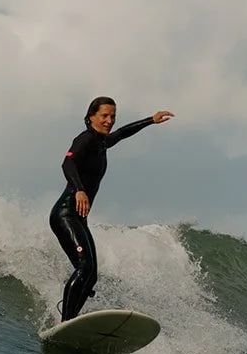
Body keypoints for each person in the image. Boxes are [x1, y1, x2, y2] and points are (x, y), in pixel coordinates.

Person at [50, 96, 174, 321]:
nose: (109, 121)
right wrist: (79, 189)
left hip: (79, 217)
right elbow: (67, 162)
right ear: (91, 117)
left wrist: (151, 120)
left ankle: (72, 320)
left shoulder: (102, 143)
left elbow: (123, 133)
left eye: (113, 116)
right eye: (104, 116)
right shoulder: (85, 139)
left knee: (91, 274)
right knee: (85, 268)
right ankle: (66, 320)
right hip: (65, 213)